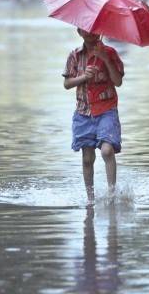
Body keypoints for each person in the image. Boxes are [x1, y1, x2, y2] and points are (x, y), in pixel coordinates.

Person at [62, 28, 124, 205]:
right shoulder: (74, 56)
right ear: (79, 32)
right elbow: (67, 83)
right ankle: (91, 199)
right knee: (87, 158)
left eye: (95, 29)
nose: (91, 33)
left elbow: (118, 82)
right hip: (84, 112)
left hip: (107, 109)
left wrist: (105, 59)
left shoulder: (110, 53)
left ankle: (112, 194)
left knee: (107, 150)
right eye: (86, 30)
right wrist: (83, 77)